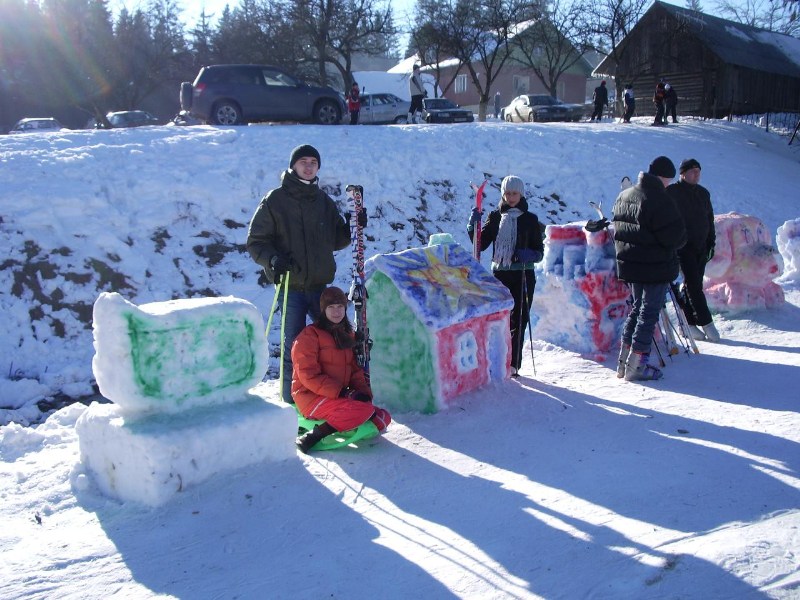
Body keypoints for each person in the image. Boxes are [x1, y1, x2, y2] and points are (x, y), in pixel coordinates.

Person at [246, 144, 362, 404]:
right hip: (291, 287)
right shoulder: (275, 200)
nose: (308, 167)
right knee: (294, 345)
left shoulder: (323, 201)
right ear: (293, 166)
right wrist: (273, 259)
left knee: (334, 340)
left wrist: (352, 227)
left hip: (321, 288)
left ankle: (334, 391)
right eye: (303, 162)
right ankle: (292, 400)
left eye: (313, 162)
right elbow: (255, 242)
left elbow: (336, 240)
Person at [612, 156, 687, 381]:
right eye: (669, 180)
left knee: (637, 309)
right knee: (648, 312)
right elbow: (675, 236)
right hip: (655, 265)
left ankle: (623, 362)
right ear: (664, 177)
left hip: (630, 264)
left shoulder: (625, 195)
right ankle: (637, 364)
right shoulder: (659, 199)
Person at [292, 286, 391, 453]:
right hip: (311, 397)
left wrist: (363, 393)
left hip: (337, 397)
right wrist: (345, 393)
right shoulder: (310, 335)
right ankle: (313, 436)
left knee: (383, 416)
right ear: (323, 310)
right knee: (365, 411)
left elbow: (354, 371)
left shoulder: (347, 335)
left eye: (340, 307)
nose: (336, 312)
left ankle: (350, 416)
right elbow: (308, 375)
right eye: (331, 307)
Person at [467, 176, 544, 377]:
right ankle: (497, 360)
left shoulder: (530, 220)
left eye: (514, 193)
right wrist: (473, 225)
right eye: (507, 193)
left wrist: (529, 254)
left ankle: (513, 363)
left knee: (519, 319)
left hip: (523, 274)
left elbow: (540, 252)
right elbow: (479, 244)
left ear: (521, 194)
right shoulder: (495, 217)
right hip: (500, 274)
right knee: (500, 319)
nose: (511, 197)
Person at [667, 158, 719, 342]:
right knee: (694, 286)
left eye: (698, 171)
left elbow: (709, 219)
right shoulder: (672, 192)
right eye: (692, 171)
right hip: (682, 247)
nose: (697, 174)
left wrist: (711, 243)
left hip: (701, 247)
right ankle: (707, 323)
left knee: (693, 285)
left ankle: (688, 324)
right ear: (683, 173)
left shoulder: (703, 193)